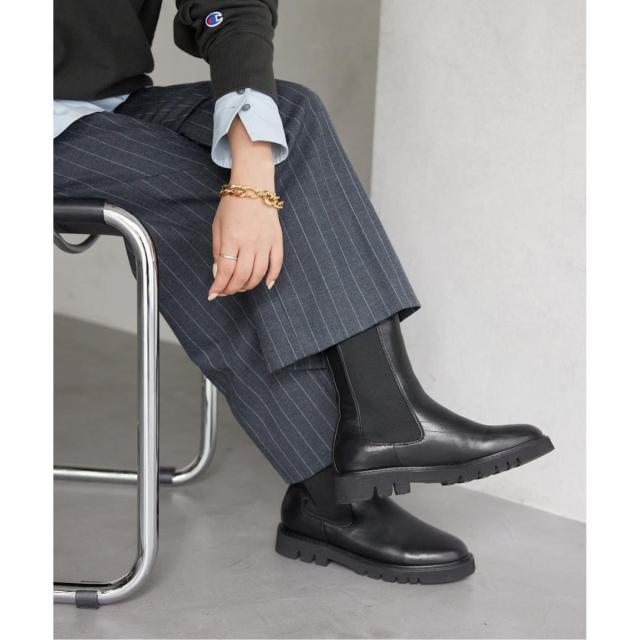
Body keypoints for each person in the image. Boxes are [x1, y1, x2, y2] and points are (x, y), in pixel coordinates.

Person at [54, 0, 554, 585]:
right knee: (200, 201)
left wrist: (252, 181)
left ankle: (387, 416)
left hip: (106, 103)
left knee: (289, 115)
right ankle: (329, 494)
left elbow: (228, 6)